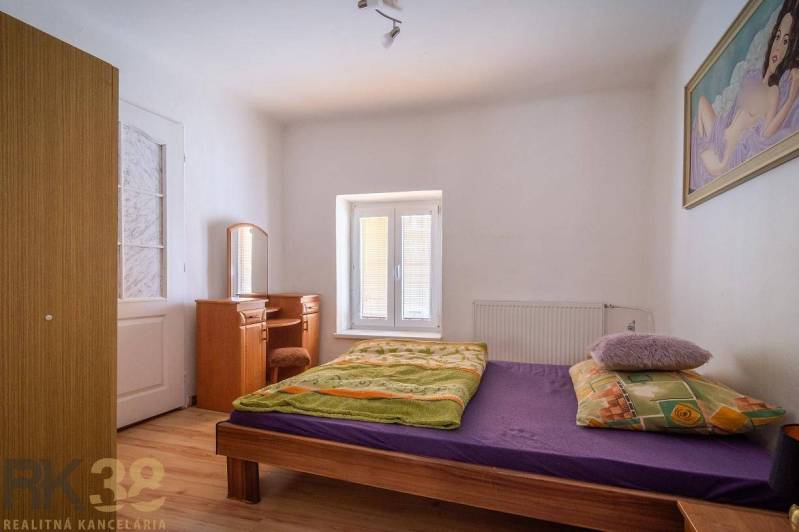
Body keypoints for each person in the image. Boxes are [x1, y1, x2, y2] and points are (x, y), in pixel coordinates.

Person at [693, 0, 799, 184]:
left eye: (785, 41)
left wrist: (790, 98)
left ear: (789, 49)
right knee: (701, 101)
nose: (778, 47)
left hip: (726, 153)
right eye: (777, 37)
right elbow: (734, 113)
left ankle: (705, 149)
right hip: (720, 133)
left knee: (703, 156)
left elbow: (766, 132)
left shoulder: (773, 92)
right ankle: (705, 143)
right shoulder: (753, 77)